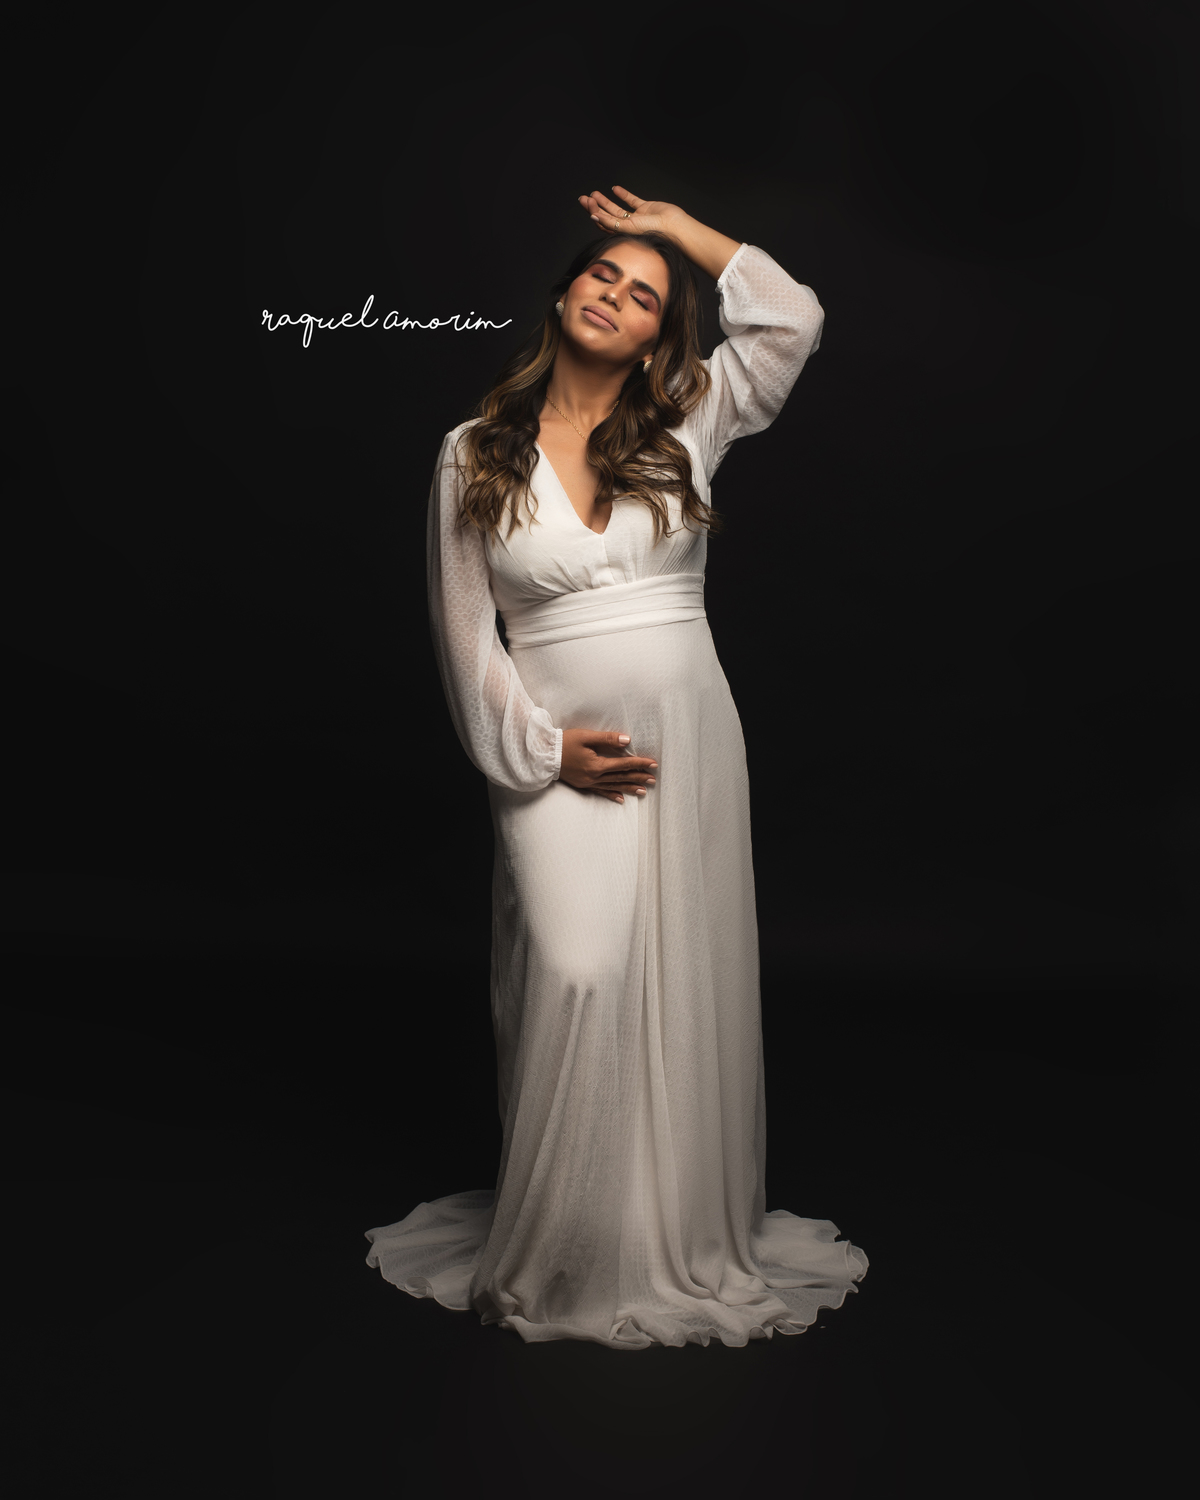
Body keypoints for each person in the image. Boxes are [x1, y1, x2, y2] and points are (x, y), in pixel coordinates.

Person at [366, 185, 868, 1349]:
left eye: (647, 295)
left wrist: (684, 233)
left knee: (681, 974)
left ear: (656, 337)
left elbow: (791, 320)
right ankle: (571, 1253)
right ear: (563, 295)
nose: (619, 295)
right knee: (578, 971)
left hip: (689, 738)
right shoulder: (471, 452)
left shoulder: (690, 418)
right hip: (554, 760)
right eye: (604, 273)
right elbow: (465, 639)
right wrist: (544, 753)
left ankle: (664, 1234)